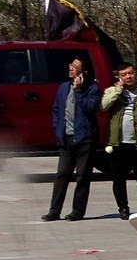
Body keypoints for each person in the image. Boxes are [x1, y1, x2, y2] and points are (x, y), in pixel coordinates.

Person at [43, 55, 101, 221]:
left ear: (83, 72)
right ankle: (54, 211)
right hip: (66, 138)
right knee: (62, 174)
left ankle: (77, 211)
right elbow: (56, 110)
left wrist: (79, 91)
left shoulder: (93, 89)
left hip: (85, 139)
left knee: (82, 176)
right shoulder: (63, 88)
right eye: (71, 65)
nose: (70, 68)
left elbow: (89, 108)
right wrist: (57, 129)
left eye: (75, 67)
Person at [101, 60, 137, 219]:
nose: (128, 76)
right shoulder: (112, 91)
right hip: (117, 143)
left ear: (136, 74)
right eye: (124, 74)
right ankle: (123, 208)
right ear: (119, 77)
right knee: (118, 178)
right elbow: (104, 106)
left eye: (131, 73)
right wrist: (118, 90)